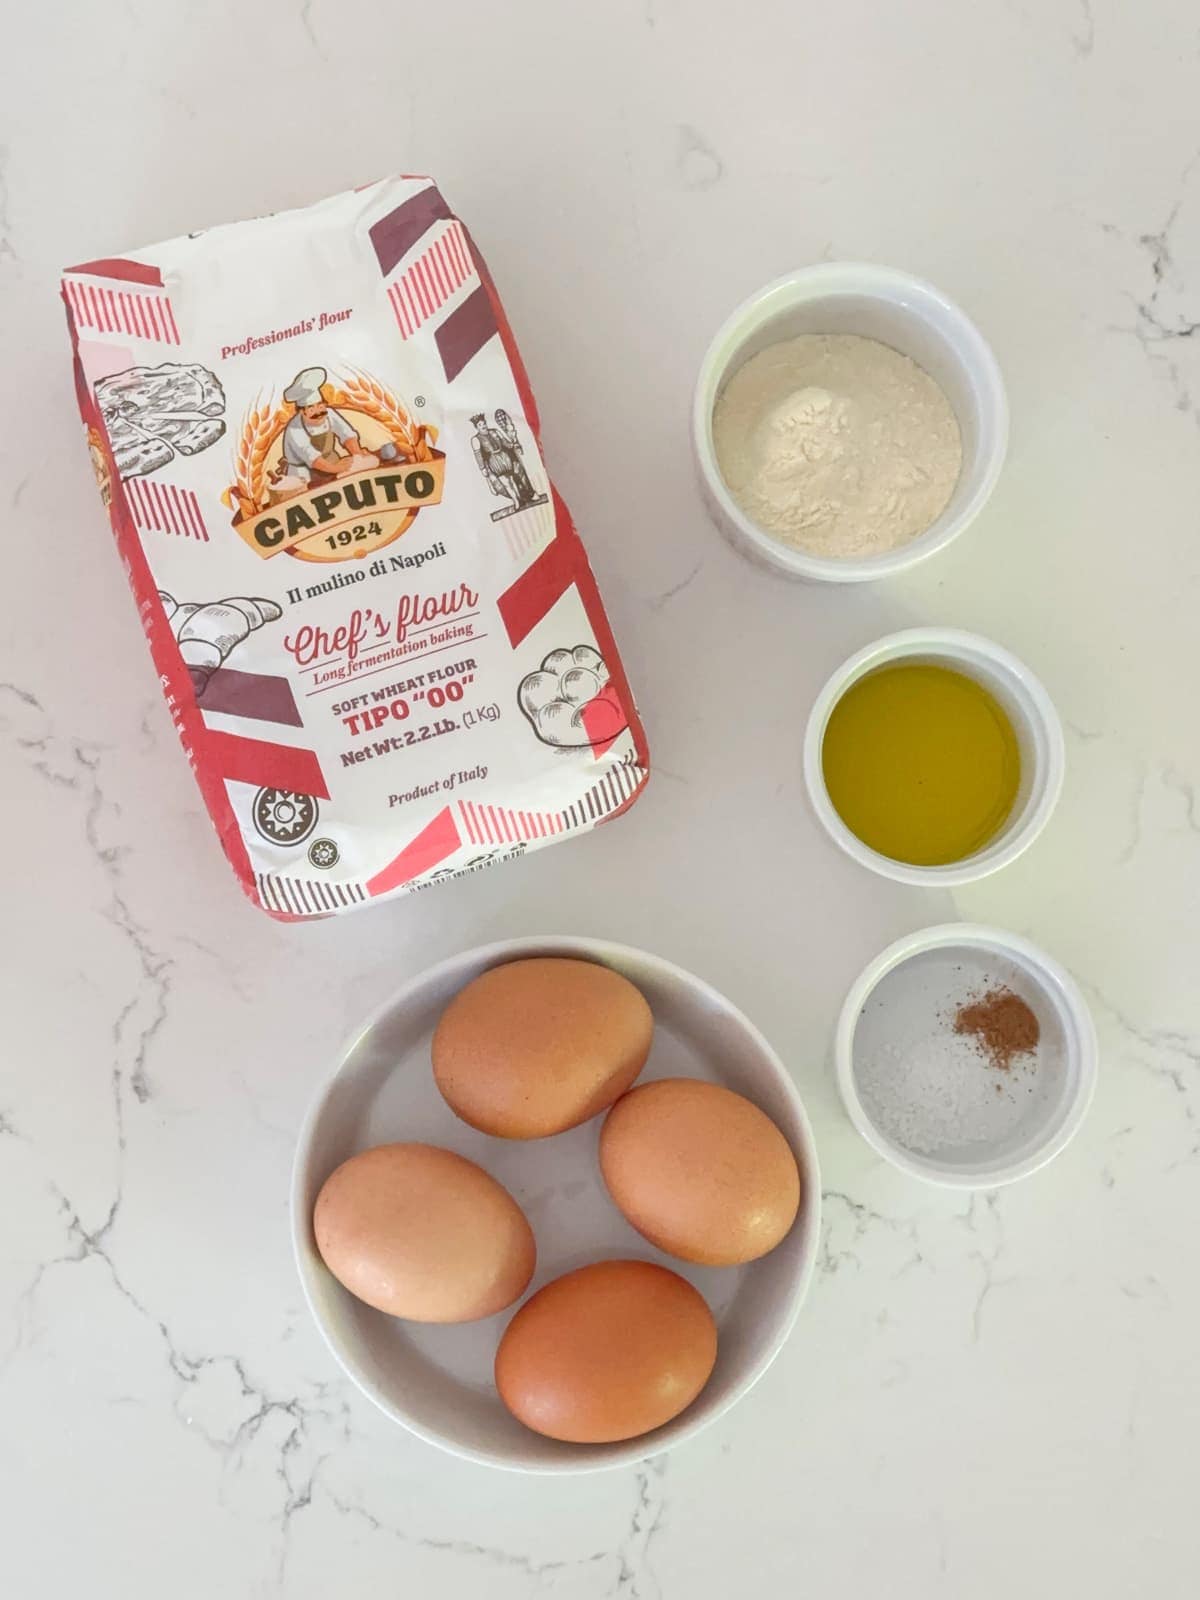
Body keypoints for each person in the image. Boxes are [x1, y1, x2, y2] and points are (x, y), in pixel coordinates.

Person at [280, 367, 365, 485]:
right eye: (311, 408)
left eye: (320, 406)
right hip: (304, 474)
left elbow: (347, 434)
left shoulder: (329, 413)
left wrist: (358, 455)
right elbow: (312, 458)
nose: (318, 412)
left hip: (331, 463)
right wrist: (337, 469)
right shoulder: (294, 429)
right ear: (301, 411)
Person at [471, 410, 537, 512]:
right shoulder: (475, 439)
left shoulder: (495, 432)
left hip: (505, 457)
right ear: (477, 427)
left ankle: (529, 495)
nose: (483, 425)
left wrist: (513, 445)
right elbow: (478, 455)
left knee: (517, 475)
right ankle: (516, 501)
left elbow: (505, 442)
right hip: (494, 462)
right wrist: (482, 468)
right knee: (506, 483)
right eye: (480, 425)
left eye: (484, 423)